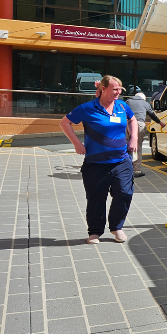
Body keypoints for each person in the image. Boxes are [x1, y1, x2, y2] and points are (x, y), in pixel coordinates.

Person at [59, 75, 138, 245]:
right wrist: (77, 144)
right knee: (96, 198)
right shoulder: (87, 108)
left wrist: (134, 139)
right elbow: (65, 123)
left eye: (120, 89)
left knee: (124, 193)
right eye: (115, 89)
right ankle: (95, 232)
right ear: (103, 89)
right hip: (96, 164)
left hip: (121, 161)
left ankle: (117, 227)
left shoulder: (122, 106)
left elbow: (133, 120)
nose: (118, 92)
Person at [126, 89, 166, 177]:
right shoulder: (145, 103)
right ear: (143, 98)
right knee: (138, 147)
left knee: (126, 146)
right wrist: (160, 122)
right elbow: (152, 114)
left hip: (127, 125)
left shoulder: (128, 101)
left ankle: (125, 169)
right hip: (139, 125)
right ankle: (136, 170)